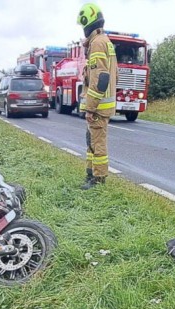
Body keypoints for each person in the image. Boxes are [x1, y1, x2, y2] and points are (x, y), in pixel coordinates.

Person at [77, 2, 118, 190]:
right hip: (101, 105)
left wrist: (90, 107)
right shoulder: (103, 41)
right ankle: (91, 174)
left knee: (97, 144)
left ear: (88, 24)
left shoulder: (98, 43)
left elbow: (100, 78)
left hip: (99, 107)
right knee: (92, 141)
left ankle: (98, 180)